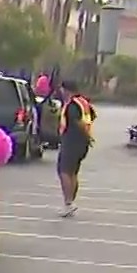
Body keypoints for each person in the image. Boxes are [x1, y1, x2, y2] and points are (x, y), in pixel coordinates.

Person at [54, 79, 94, 217]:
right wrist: (88, 136)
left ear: (66, 90)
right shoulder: (84, 102)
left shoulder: (72, 105)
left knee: (64, 171)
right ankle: (70, 203)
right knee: (73, 172)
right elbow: (91, 117)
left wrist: (82, 133)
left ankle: (68, 203)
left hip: (72, 141)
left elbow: (78, 122)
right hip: (82, 142)